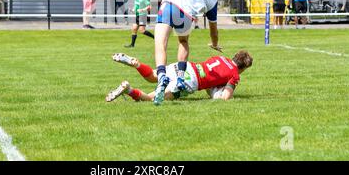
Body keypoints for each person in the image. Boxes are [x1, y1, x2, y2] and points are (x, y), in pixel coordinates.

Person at [140, 0, 224, 106]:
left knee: (160, 44)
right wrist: (215, 43)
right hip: (186, 15)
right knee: (183, 41)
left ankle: (161, 77)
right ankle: (179, 78)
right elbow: (213, 28)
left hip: (169, 5)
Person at [106, 51, 253, 103]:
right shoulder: (234, 74)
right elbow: (225, 97)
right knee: (151, 98)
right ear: (243, 68)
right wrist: (228, 89)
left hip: (186, 67)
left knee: (153, 75)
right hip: (190, 80)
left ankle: (136, 64)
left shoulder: (221, 58)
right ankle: (128, 89)